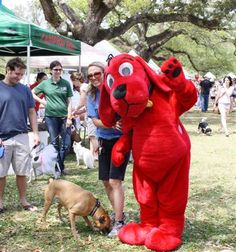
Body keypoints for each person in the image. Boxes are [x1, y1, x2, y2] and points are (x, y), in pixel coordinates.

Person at [87, 61, 130, 238]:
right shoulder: (92, 95)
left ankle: (119, 223)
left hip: (120, 140)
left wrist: (124, 123)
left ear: (104, 73)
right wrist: (110, 124)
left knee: (115, 181)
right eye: (90, 75)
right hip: (104, 139)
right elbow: (94, 120)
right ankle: (119, 214)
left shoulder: (117, 90)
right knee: (106, 181)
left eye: (97, 73)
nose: (94, 78)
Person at [0, 57, 40, 213]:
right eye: (17, 74)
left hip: (22, 136)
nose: (19, 77)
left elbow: (32, 111)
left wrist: (35, 133)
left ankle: (24, 201)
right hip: (3, 139)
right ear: (8, 70)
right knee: (1, 173)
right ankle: (0, 203)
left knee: (22, 171)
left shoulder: (25, 90)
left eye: (21, 74)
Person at [32, 61, 73, 176]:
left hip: (64, 117)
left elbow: (69, 101)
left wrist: (69, 117)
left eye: (60, 69)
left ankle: (58, 166)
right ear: (50, 71)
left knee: (66, 144)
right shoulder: (45, 84)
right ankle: (58, 169)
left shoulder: (66, 83)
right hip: (51, 117)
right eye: (55, 69)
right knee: (55, 144)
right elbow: (32, 92)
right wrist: (42, 101)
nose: (58, 71)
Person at [71, 72, 98, 160]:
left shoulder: (83, 88)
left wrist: (74, 109)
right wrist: (78, 112)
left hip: (91, 114)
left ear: (76, 80)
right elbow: (87, 105)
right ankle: (92, 154)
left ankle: (97, 154)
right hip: (91, 111)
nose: (73, 84)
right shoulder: (87, 86)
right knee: (91, 135)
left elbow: (82, 102)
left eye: (73, 81)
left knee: (92, 136)